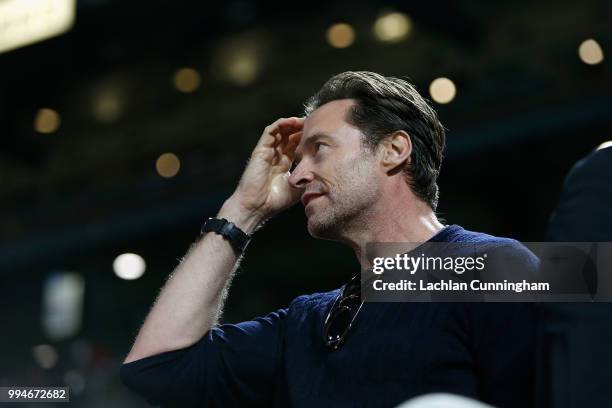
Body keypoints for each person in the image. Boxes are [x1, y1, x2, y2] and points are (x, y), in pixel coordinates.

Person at [120, 71, 538, 407]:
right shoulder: (306, 321)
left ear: (393, 150)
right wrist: (243, 210)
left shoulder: (494, 266)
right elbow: (154, 369)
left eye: (319, 148)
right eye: (297, 160)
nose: (297, 176)